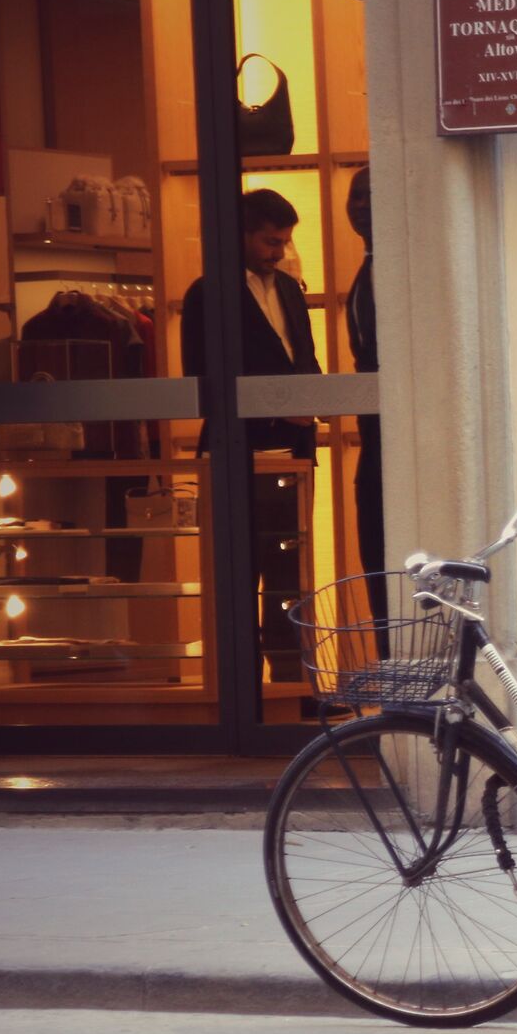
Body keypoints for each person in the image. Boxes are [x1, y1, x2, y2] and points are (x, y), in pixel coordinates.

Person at [180, 186, 319, 684]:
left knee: (290, 577)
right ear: (239, 234)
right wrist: (284, 407)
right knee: (238, 574)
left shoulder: (290, 289)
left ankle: (290, 684)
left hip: (293, 456)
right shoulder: (207, 293)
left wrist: (313, 401)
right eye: (269, 241)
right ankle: (240, 690)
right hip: (239, 452)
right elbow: (202, 376)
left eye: (283, 242)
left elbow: (304, 360)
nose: (278, 252)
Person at [343, 168, 384, 588]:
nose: (360, 206)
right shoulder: (366, 268)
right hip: (372, 437)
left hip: (393, 439)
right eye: (355, 197)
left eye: (370, 196)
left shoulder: (397, 267)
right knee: (374, 556)